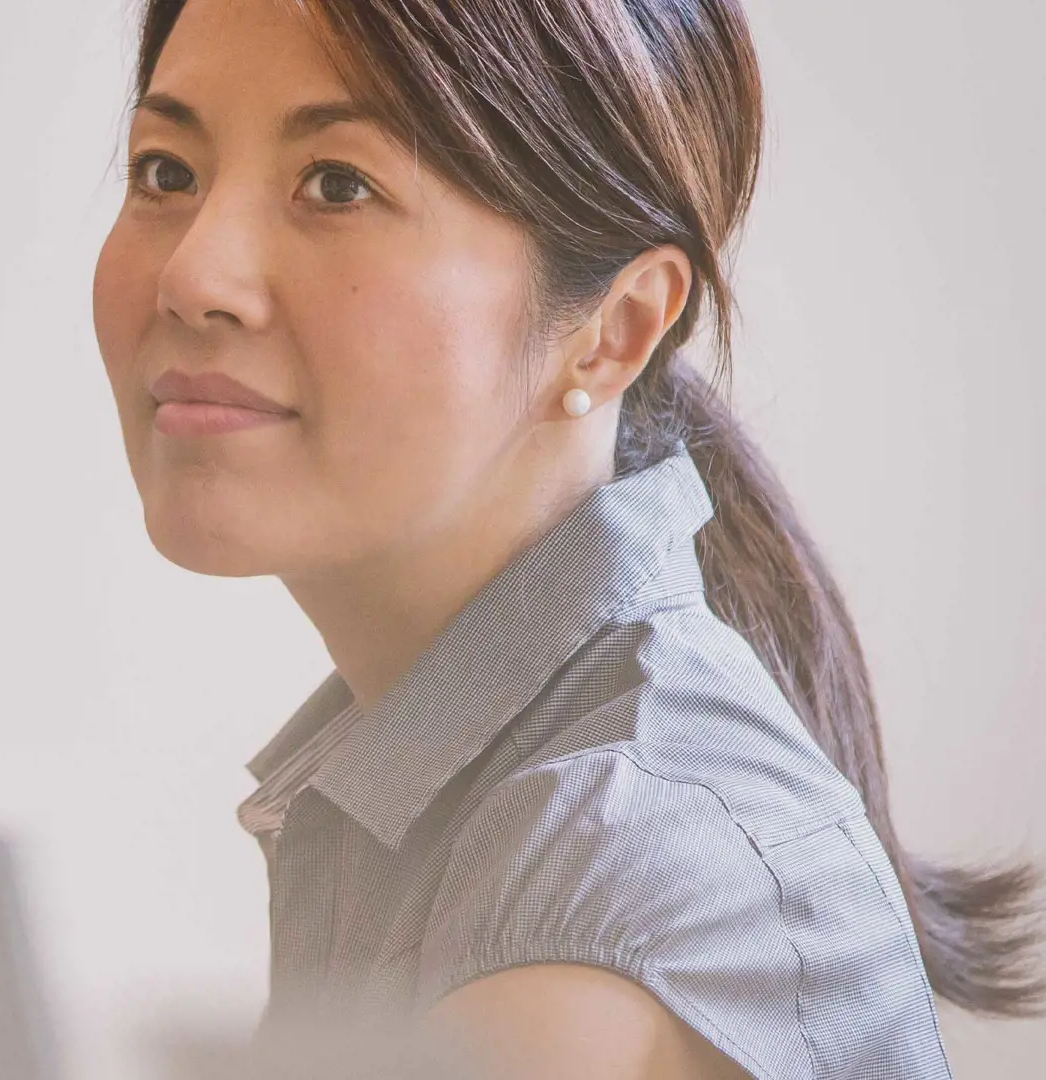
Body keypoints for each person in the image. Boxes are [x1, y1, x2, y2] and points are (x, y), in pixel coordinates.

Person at [89, 1, 1044, 1077]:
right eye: (166, 172)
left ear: (615, 330)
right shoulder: (465, 796)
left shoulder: (610, 902)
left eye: (340, 184)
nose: (193, 275)